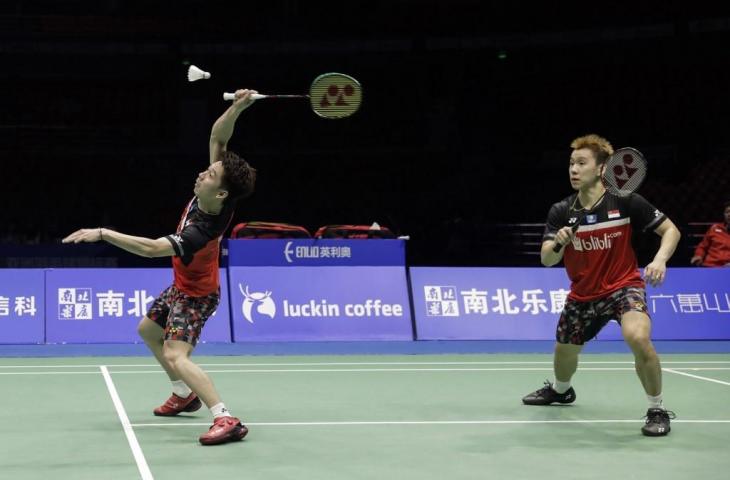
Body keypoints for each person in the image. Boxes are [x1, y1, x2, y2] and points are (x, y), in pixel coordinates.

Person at [63, 89, 259, 445]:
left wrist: (104, 233)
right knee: (148, 331)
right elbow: (219, 135)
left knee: (175, 352)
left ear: (222, 193)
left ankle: (225, 417)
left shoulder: (204, 229)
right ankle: (183, 394)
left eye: (210, 175)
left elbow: (153, 249)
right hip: (182, 285)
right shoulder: (212, 196)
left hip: (197, 295)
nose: (202, 173)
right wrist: (237, 108)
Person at [522, 134, 682, 437]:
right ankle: (561, 391)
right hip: (583, 295)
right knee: (564, 354)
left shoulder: (624, 201)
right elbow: (546, 260)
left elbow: (670, 231)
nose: (573, 169)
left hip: (623, 286)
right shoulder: (561, 211)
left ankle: (657, 408)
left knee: (637, 336)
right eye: (571, 163)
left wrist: (660, 260)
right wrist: (557, 243)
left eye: (581, 163)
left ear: (601, 169)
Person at [690, 201, 730, 267]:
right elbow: (702, 246)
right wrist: (698, 255)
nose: (729, 214)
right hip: (710, 266)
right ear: (724, 214)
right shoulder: (714, 228)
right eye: (727, 212)